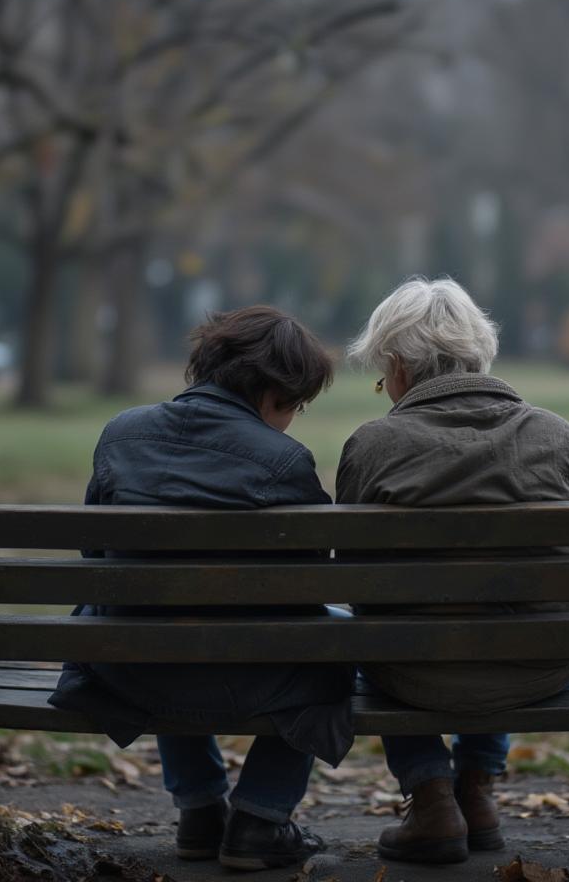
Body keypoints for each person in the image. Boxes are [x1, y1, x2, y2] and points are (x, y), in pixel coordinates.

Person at [49, 306, 354, 871]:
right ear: (274, 393)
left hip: (130, 671)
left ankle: (199, 811)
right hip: (251, 678)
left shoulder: (120, 434)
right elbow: (312, 582)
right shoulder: (284, 460)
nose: (294, 418)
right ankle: (260, 820)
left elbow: (96, 557)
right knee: (331, 655)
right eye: (297, 405)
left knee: (160, 623)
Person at [336, 276, 569, 865]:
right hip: (545, 664)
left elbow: (351, 580)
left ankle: (432, 796)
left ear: (401, 366)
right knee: (503, 615)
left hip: (413, 671)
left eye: (383, 374)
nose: (386, 389)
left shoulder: (373, 444)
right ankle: (476, 792)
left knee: (374, 631)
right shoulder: (560, 437)